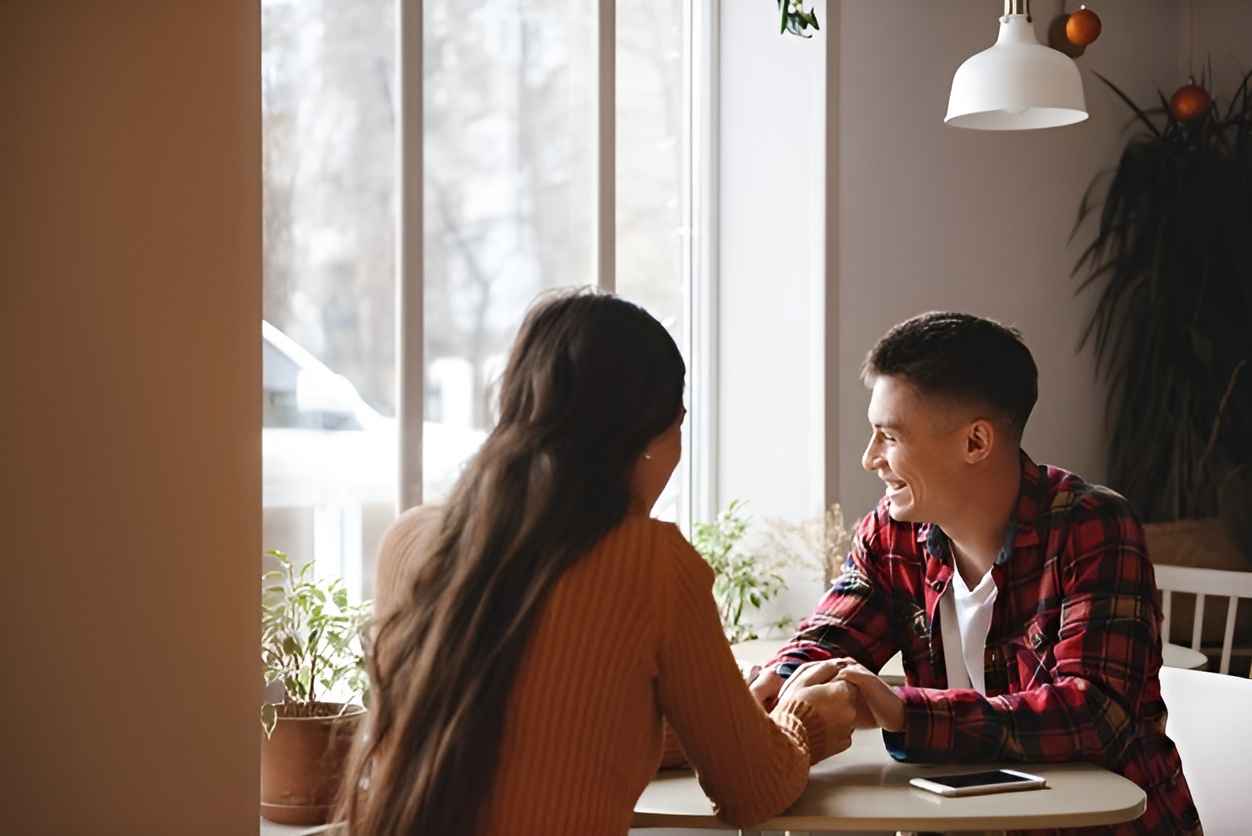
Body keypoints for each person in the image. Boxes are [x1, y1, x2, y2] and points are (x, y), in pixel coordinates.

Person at [338, 289, 860, 836]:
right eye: (678, 425)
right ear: (649, 435)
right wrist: (803, 722)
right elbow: (754, 790)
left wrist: (713, 718)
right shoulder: (651, 563)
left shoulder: (413, 543)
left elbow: (528, 734)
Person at [749, 311, 1202, 835]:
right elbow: (827, 641)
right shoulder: (890, 534)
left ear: (975, 443)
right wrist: (771, 686)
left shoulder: (1092, 526)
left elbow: (1094, 716)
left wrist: (901, 712)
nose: (869, 458)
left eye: (889, 437)